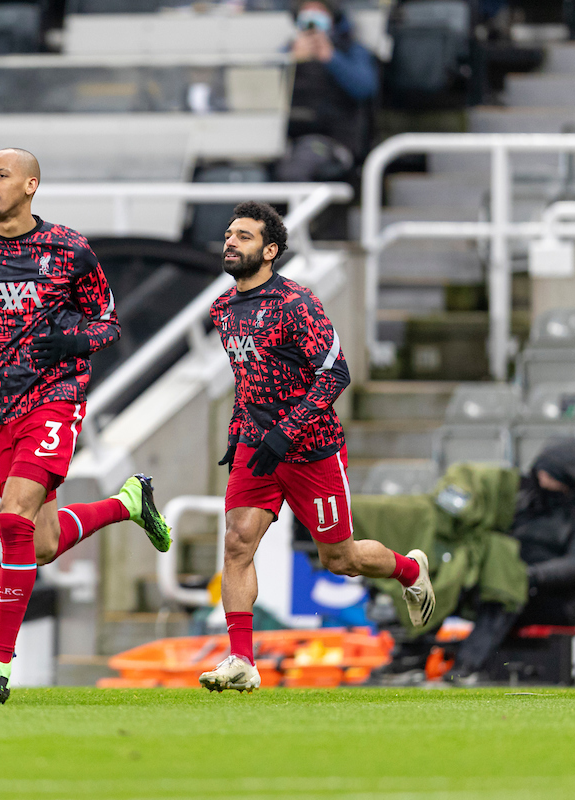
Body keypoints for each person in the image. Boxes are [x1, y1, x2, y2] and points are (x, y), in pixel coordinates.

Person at [0, 148, 173, 704]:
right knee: (38, 543)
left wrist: (70, 341)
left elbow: (107, 324)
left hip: (55, 400)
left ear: (32, 185)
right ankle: (127, 504)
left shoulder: (69, 248)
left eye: (1, 176)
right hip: (0, 407)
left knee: (12, 517)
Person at [198, 201, 435, 693]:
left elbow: (336, 373)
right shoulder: (222, 308)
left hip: (311, 451)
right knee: (238, 541)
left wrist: (286, 432)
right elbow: (250, 380)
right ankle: (242, 659)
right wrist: (239, 431)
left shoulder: (296, 302)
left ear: (270, 251)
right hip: (256, 449)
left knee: (341, 560)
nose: (230, 241)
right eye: (228, 233)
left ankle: (410, 568)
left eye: (243, 236)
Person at [444, 440, 575, 685]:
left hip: (558, 598)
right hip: (512, 583)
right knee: (448, 582)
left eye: (550, 472)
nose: (541, 475)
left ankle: (466, 668)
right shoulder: (527, 498)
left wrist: (528, 576)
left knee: (504, 594)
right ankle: (410, 654)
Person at [276, 0, 378, 182]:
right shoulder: (286, 52)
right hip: (288, 139)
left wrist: (331, 57)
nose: (312, 16)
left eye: (318, 10)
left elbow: (364, 88)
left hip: (335, 141)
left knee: (300, 165)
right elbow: (261, 92)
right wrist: (291, 62)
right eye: (306, 10)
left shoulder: (350, 49)